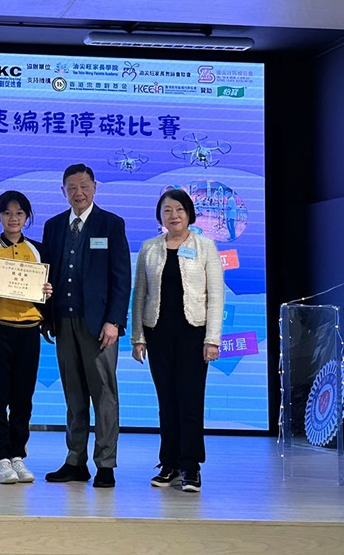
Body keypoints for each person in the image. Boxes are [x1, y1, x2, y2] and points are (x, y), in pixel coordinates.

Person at [41, 163, 130, 489]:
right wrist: (46, 315)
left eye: (84, 186)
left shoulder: (111, 224)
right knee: (74, 394)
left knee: (104, 395)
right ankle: (75, 460)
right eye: (72, 188)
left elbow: (122, 278)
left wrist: (114, 321)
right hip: (63, 321)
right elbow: (45, 274)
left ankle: (105, 463)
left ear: (94, 187)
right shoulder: (53, 226)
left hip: (99, 326)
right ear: (63, 191)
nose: (79, 193)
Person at [131, 189, 224, 493]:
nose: (174, 215)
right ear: (160, 215)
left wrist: (212, 339)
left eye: (179, 209)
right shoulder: (150, 248)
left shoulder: (205, 246)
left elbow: (216, 296)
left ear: (189, 214)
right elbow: (140, 294)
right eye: (167, 210)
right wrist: (138, 337)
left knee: (190, 400)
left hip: (193, 333)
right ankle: (169, 463)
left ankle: (191, 466)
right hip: (158, 332)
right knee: (166, 401)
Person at [0, 190, 52, 484]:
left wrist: (47, 293)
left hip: (28, 329)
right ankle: (1, 458)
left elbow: (47, 292)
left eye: (19, 213)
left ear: (27, 217)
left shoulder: (38, 251)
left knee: (23, 396)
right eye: (7, 213)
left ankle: (18, 454)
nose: (13, 218)